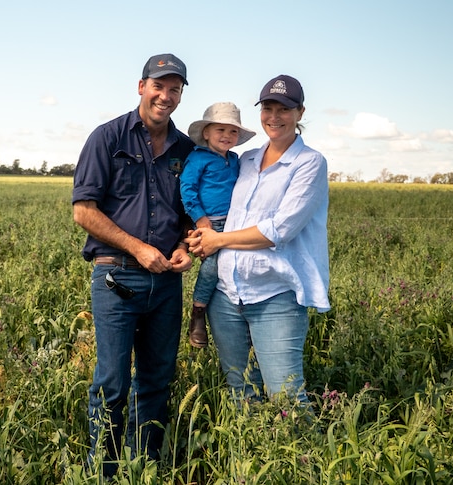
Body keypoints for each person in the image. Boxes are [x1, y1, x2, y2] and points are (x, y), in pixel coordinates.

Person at [72, 53, 195, 477]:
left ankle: (144, 467)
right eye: (158, 85)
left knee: (157, 379)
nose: (166, 95)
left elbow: (190, 213)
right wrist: (138, 248)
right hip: (116, 276)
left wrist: (185, 245)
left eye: (175, 88)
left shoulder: (186, 150)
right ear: (141, 86)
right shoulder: (107, 138)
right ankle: (102, 472)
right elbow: (84, 211)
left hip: (166, 283)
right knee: (112, 382)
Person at [186, 74, 329, 405]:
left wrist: (216, 242)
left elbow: (280, 230)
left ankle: (303, 457)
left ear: (300, 113)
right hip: (225, 296)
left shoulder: (309, 163)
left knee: (286, 396)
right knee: (241, 392)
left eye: (285, 109)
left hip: (275, 295)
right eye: (268, 107)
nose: (274, 116)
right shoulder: (245, 160)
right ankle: (252, 456)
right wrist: (197, 234)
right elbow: (219, 207)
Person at [180, 102, 255, 348]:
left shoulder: (235, 159)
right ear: (206, 133)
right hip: (211, 223)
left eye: (232, 131)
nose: (226, 136)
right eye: (220, 130)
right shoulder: (198, 158)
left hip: (236, 222)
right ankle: (198, 312)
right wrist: (201, 219)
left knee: (239, 265)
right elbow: (187, 190)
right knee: (213, 265)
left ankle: (243, 316)